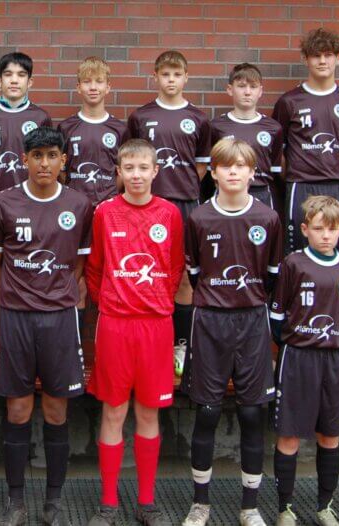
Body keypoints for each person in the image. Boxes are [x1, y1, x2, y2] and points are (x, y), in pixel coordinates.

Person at [0, 127, 93, 526]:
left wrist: (54, 293)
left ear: (63, 160)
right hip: (15, 317)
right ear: (25, 159)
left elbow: (78, 264)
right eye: (37, 156)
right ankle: (15, 502)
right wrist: (17, 294)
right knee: (18, 408)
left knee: (57, 409)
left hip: (60, 318)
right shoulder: (2, 203)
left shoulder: (79, 204)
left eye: (52, 155)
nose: (45, 163)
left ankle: (54, 502)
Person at [180, 138, 281, 526]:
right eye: (226, 165)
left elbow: (272, 275)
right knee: (207, 412)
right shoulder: (199, 218)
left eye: (241, 166)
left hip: (252, 320)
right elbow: (195, 272)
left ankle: (249, 506)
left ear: (252, 173)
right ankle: (200, 503)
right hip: (210, 320)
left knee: (252, 413)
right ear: (214, 172)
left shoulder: (267, 218)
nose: (234, 172)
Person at [84, 139, 183, 526]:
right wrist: (114, 301)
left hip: (155, 325)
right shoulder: (105, 212)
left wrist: (154, 300)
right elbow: (94, 269)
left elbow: (175, 268)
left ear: (155, 171)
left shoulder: (170, 214)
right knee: (113, 410)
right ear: (119, 172)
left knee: (148, 411)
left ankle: (146, 502)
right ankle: (108, 503)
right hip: (115, 325)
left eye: (144, 168)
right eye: (130, 168)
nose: (137, 175)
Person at [269, 196, 339, 526]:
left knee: (330, 435)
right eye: (319, 228)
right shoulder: (293, 263)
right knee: (289, 435)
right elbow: (277, 316)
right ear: (305, 229)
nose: (325, 235)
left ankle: (325, 507)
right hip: (298, 358)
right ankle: (285, 508)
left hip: (335, 360)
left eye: (332, 229)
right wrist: (294, 344)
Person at [122, 49, 211, 378]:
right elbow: (132, 159)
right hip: (147, 206)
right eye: (165, 74)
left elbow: (201, 166)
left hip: (185, 203)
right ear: (155, 77)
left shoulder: (199, 118)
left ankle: (180, 347)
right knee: (147, 270)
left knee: (184, 277)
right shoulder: (141, 116)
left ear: (186, 78)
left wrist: (180, 186)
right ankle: (148, 345)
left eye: (177, 75)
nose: (171, 80)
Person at [272, 27, 339, 255]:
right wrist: (298, 172)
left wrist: (336, 169)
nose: (322, 61)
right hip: (302, 186)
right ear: (306, 59)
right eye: (316, 55)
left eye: (328, 55)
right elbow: (278, 152)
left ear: (338, 58)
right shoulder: (288, 102)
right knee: (297, 253)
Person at [0, 52, 53, 192]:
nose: (14, 80)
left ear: (29, 82)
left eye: (21, 75)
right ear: (0, 81)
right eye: (8, 74)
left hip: (29, 194)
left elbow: (47, 161)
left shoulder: (41, 117)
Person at [208, 63, 283, 210]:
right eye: (241, 86)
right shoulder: (216, 126)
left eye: (253, 87)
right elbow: (210, 168)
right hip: (226, 194)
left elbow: (275, 170)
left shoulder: (273, 128)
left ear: (260, 91)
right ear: (230, 89)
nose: (247, 92)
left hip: (261, 193)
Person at [58, 56, 126, 206]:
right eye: (87, 81)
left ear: (108, 87)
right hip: (74, 206)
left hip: (109, 206)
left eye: (99, 81)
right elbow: (60, 170)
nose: (93, 87)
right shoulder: (65, 127)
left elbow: (124, 170)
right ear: (78, 87)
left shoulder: (120, 129)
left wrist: (109, 195)